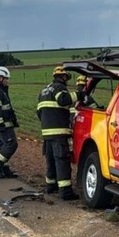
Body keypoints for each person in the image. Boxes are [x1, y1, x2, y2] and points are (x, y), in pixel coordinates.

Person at [37, 66, 79, 200]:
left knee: (50, 159)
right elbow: (63, 100)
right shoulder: (59, 88)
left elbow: (39, 112)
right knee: (61, 160)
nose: (66, 80)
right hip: (59, 132)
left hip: (47, 132)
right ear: (63, 77)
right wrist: (79, 94)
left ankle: (51, 186)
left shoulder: (43, 91)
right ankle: (65, 192)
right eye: (66, 77)